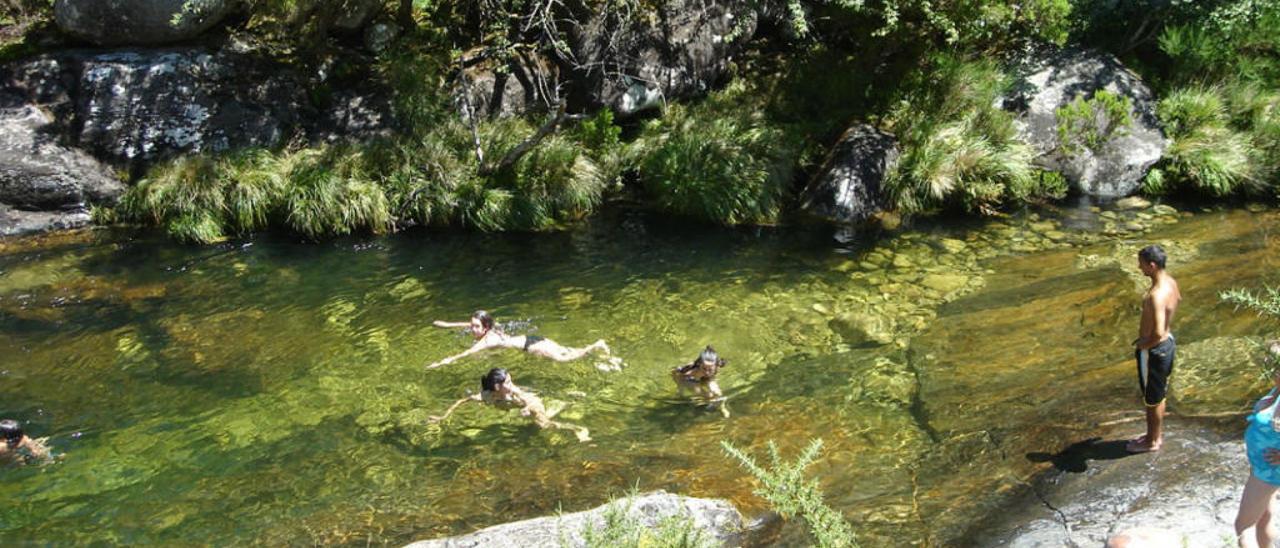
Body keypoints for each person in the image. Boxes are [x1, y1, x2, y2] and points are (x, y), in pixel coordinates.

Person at [428, 368, 591, 442]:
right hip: (515, 404)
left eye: (510, 380)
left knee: (544, 425)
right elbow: (463, 400)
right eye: (508, 382)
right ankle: (567, 401)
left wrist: (527, 409)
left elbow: (529, 400)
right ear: (497, 387)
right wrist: (443, 416)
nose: (511, 384)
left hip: (533, 402)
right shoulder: (487, 395)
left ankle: (578, 429)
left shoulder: (514, 392)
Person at [1127, 245, 1181, 453]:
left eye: (1141, 264)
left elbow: (1158, 332)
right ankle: (1154, 435)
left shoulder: (1155, 295)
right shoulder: (1171, 283)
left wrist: (1143, 346)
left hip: (1155, 350)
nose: (1139, 268)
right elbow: (1178, 300)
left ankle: (1151, 442)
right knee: (1159, 394)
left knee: (1151, 399)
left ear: (1152, 265)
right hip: (1169, 344)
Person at [426, 311, 616, 369]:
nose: (472, 329)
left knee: (564, 359)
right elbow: (464, 324)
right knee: (567, 350)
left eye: (476, 326)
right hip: (533, 339)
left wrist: (443, 362)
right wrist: (447, 325)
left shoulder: (487, 340)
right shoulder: (492, 328)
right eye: (472, 325)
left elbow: (465, 354)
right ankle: (595, 349)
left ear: (485, 327)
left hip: (531, 347)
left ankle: (596, 346)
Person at [1235, 341, 1280, 548]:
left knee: (1243, 527)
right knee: (1264, 518)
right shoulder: (1277, 390)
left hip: (1268, 472)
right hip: (1260, 467)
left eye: (1271, 365)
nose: (1268, 368)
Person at [671, 346, 730, 418]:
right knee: (708, 396)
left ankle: (722, 408)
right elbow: (676, 374)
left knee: (718, 393)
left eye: (710, 369)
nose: (707, 372)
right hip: (690, 380)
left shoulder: (717, 366)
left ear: (716, 365)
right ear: (699, 364)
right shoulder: (691, 371)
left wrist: (709, 382)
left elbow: (710, 377)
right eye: (704, 368)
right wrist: (680, 388)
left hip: (707, 379)